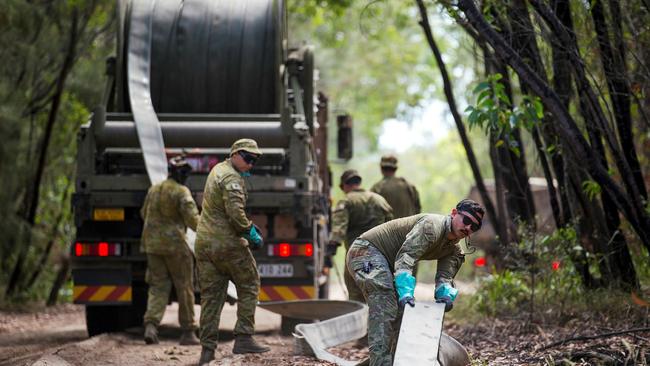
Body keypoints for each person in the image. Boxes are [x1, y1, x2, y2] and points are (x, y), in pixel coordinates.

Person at [345, 199, 485, 366]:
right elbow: (406, 258)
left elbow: (445, 278)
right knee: (385, 302)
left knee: (402, 316)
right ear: (454, 213)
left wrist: (445, 296)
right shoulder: (431, 226)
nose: (468, 228)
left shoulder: (454, 250)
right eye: (467, 220)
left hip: (387, 263)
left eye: (474, 227)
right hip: (365, 250)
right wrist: (406, 292)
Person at [196, 139, 269, 366]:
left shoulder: (217, 169)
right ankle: (244, 337)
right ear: (235, 154)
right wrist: (251, 233)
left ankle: (207, 350)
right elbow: (235, 214)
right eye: (247, 158)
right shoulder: (231, 178)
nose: (250, 164)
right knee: (249, 283)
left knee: (211, 297)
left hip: (205, 243)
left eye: (254, 160)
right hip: (226, 244)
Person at [141, 156, 200, 345]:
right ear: (182, 175)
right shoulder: (181, 192)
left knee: (158, 286)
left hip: (152, 246)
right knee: (184, 286)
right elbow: (193, 221)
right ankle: (188, 332)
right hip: (175, 247)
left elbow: (143, 213)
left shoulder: (154, 189)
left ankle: (151, 326)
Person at [325, 169, 393, 303]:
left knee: (356, 294)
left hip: (356, 256)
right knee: (377, 291)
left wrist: (331, 248)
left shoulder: (346, 201)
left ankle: (360, 320)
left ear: (345, 185)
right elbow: (391, 225)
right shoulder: (379, 200)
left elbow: (339, 228)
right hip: (378, 256)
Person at [370, 154, 421, 219]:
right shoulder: (409, 186)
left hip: (387, 229)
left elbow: (371, 213)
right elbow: (418, 210)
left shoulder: (377, 188)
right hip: (410, 228)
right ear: (395, 169)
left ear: (381, 169)